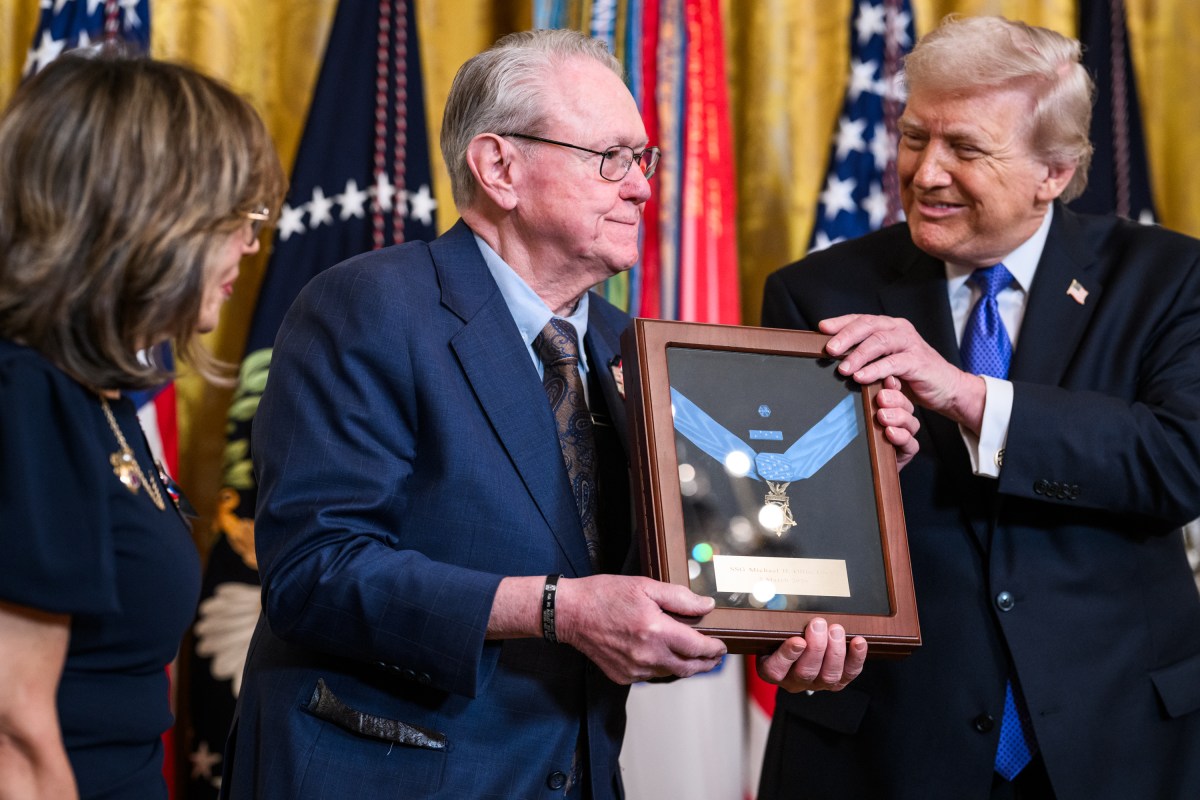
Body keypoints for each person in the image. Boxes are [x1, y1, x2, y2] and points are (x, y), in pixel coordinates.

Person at [222, 29, 918, 799]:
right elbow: (316, 572)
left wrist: (849, 491)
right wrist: (555, 608)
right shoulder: (370, 305)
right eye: (610, 158)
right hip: (388, 773)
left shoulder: (633, 349)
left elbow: (697, 561)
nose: (642, 188)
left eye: (644, 160)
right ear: (500, 167)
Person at [758, 14, 1200, 800]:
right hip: (887, 749)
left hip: (1116, 745)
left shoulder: (1166, 277)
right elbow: (782, 518)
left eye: (965, 149)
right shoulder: (819, 293)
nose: (926, 174)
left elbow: (1178, 461)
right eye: (916, 137)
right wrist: (854, 476)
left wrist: (966, 396)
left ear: (1055, 172)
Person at [0, 51, 285, 800]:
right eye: (236, 220)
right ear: (152, 218)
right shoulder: (26, 396)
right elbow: (13, 738)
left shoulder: (91, 393)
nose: (251, 246)